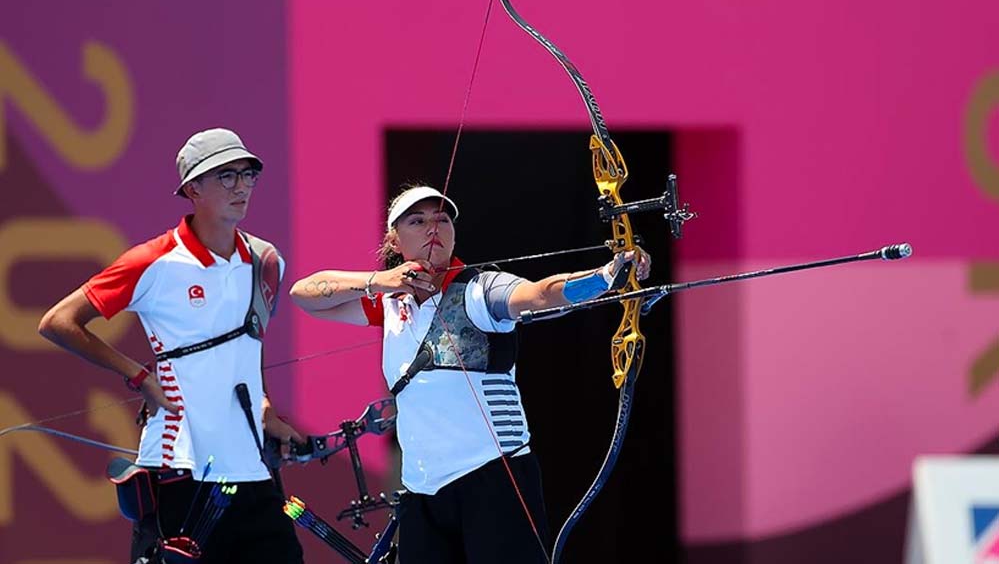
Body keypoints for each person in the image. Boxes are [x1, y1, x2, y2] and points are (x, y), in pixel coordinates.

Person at [288, 185, 651, 564]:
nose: (433, 227)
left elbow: (541, 294)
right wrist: (379, 281)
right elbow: (304, 294)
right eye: (418, 221)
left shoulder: (480, 291)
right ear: (394, 239)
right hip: (421, 489)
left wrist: (605, 276)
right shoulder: (390, 303)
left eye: (442, 219)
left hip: (493, 477)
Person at [38, 128, 305, 564]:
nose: (241, 187)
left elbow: (246, 350)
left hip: (253, 468)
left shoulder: (263, 260)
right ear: (192, 189)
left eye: (248, 174)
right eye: (225, 176)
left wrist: (266, 409)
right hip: (181, 466)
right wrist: (139, 376)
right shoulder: (155, 261)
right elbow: (58, 322)